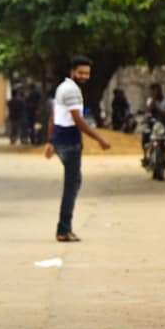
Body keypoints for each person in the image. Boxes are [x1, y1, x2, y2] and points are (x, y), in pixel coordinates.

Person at [44, 55, 111, 242]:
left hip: (60, 139)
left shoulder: (62, 88)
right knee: (72, 186)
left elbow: (54, 115)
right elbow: (78, 120)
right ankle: (63, 229)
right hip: (69, 141)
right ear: (72, 72)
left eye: (87, 73)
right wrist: (100, 138)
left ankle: (64, 228)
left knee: (74, 183)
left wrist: (50, 141)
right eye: (81, 72)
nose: (84, 76)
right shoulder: (72, 91)